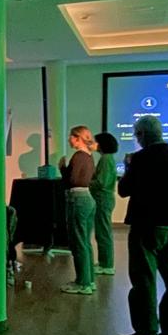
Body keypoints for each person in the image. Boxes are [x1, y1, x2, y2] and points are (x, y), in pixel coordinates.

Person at [115, 115, 168, 335]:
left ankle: (146, 334)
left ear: (142, 135)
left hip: (147, 226)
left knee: (144, 280)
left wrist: (128, 167)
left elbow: (124, 190)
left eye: (136, 135)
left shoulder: (140, 158)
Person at [59, 125, 97, 295]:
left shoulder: (78, 156)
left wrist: (63, 168)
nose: (69, 139)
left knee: (78, 242)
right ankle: (89, 280)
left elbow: (72, 180)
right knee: (85, 242)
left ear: (77, 138)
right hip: (87, 199)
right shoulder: (89, 156)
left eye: (71, 136)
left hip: (77, 200)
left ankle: (82, 283)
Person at [91, 132, 119, 277]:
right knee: (102, 231)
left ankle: (106, 264)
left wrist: (86, 182)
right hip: (104, 198)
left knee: (103, 232)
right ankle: (104, 262)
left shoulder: (106, 159)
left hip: (103, 198)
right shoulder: (107, 159)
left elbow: (101, 182)